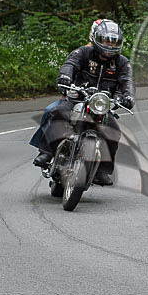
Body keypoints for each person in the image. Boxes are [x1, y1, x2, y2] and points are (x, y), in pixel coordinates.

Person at [29, 19, 135, 186]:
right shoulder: (83, 52)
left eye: (113, 42)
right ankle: (47, 152)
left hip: (101, 104)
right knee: (57, 113)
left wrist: (127, 96)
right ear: (97, 39)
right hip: (76, 97)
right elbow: (69, 65)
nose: (109, 45)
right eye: (106, 40)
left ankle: (103, 171)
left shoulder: (122, 62)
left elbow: (126, 81)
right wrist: (65, 78)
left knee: (113, 131)